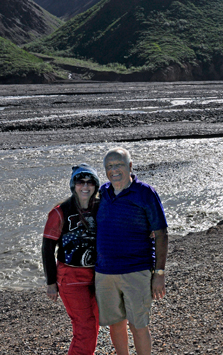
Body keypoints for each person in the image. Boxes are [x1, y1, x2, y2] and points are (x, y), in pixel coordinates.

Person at [95, 147, 168, 355]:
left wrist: (159, 274)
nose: (114, 170)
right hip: (105, 273)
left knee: (138, 325)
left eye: (118, 164)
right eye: (109, 166)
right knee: (116, 324)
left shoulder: (145, 193)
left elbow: (161, 233)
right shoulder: (103, 193)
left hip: (136, 271)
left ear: (130, 166)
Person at [42, 163, 101, 355]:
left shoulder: (102, 207)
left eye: (90, 182)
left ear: (96, 185)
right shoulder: (59, 212)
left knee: (98, 322)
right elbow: (47, 248)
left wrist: (148, 229)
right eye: (80, 182)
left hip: (100, 275)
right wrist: (51, 283)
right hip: (71, 278)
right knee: (85, 328)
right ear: (73, 185)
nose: (85, 187)